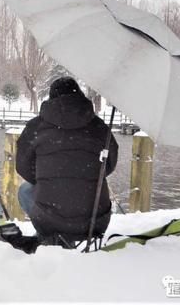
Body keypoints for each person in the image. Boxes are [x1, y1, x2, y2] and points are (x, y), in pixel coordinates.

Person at [16, 77, 118, 243]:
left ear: (51, 97)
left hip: (48, 220)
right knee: (91, 189)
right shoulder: (99, 127)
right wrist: (86, 173)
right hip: (95, 220)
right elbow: (110, 164)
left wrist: (46, 178)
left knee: (24, 190)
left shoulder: (36, 126)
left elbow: (22, 166)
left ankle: (48, 236)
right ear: (79, 95)